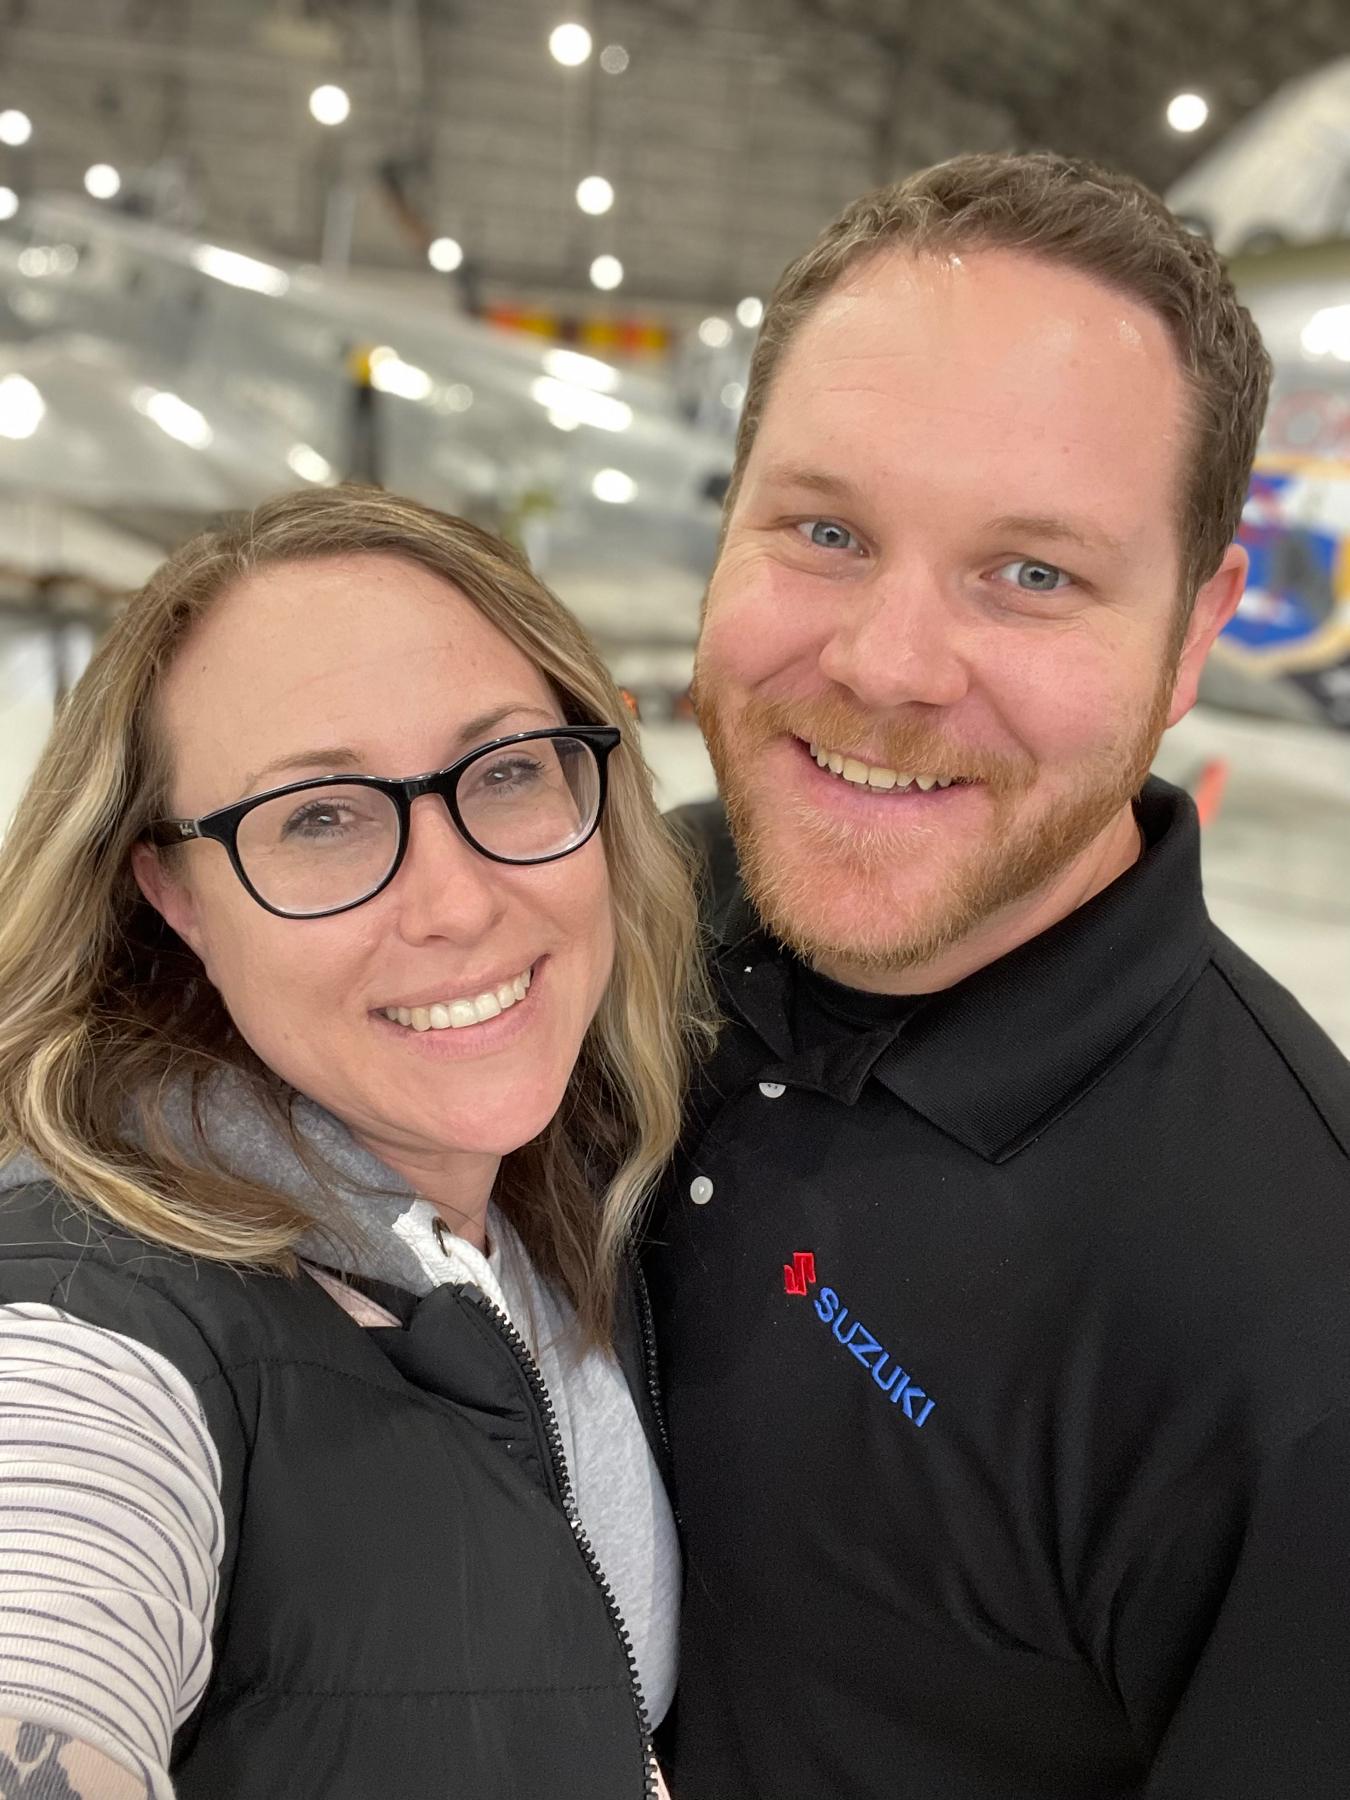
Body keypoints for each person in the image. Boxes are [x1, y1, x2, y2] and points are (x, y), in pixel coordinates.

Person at [648, 151, 1350, 1798]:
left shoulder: (1290, 1329)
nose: (885, 665)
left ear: (1193, 632)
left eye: (1031, 574)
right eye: (824, 530)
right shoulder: (602, 925)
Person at [0, 486, 710, 1799]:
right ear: (174, 893)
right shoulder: (89, 1327)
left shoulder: (585, 1188)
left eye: (507, 771)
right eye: (320, 817)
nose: (455, 903)